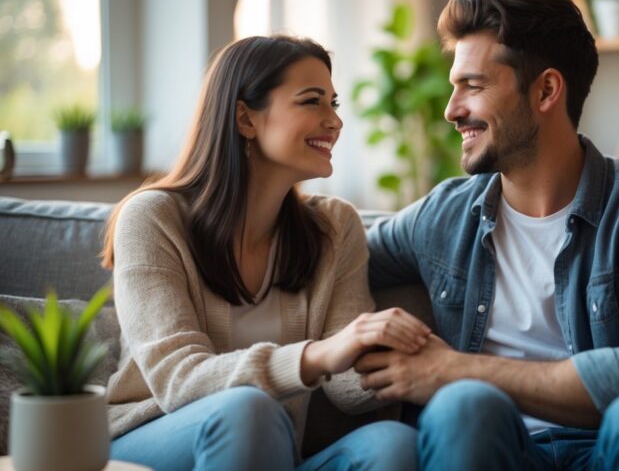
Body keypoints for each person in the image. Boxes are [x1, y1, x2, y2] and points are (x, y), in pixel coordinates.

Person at [358, 0, 619, 471]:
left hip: (612, 449)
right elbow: (332, 250)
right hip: (493, 445)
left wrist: (452, 369)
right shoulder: (444, 215)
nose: (451, 110)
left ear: (547, 90)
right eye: (453, 86)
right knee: (464, 406)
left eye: (473, 85)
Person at [101, 35, 427, 471]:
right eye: (312, 102)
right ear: (245, 118)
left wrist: (397, 353)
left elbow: (346, 390)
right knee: (248, 411)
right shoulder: (153, 218)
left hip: (280, 451)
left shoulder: (334, 226)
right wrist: (317, 355)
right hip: (156, 439)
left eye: (334, 103)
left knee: (392, 443)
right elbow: (177, 378)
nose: (334, 122)